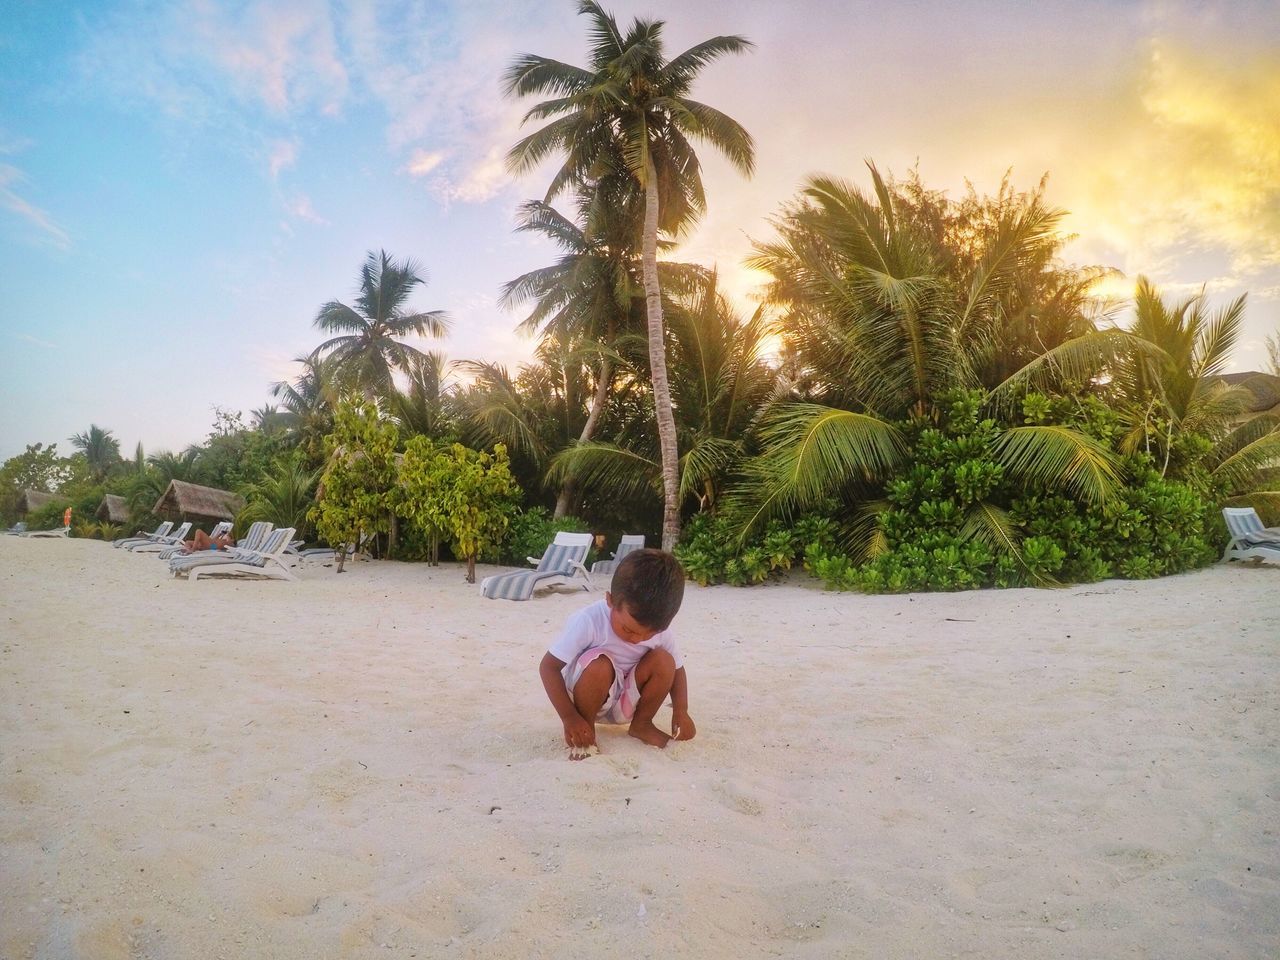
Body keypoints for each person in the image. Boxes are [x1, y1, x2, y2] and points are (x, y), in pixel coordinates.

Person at [539, 548, 695, 758]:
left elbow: (677, 670)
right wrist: (569, 718)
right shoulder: (588, 620)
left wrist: (681, 710)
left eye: (648, 635)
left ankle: (642, 724)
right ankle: (587, 731)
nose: (636, 639)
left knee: (664, 661)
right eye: (628, 629)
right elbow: (548, 667)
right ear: (610, 600)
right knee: (599, 664)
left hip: (627, 701)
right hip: (588, 701)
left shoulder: (662, 631)